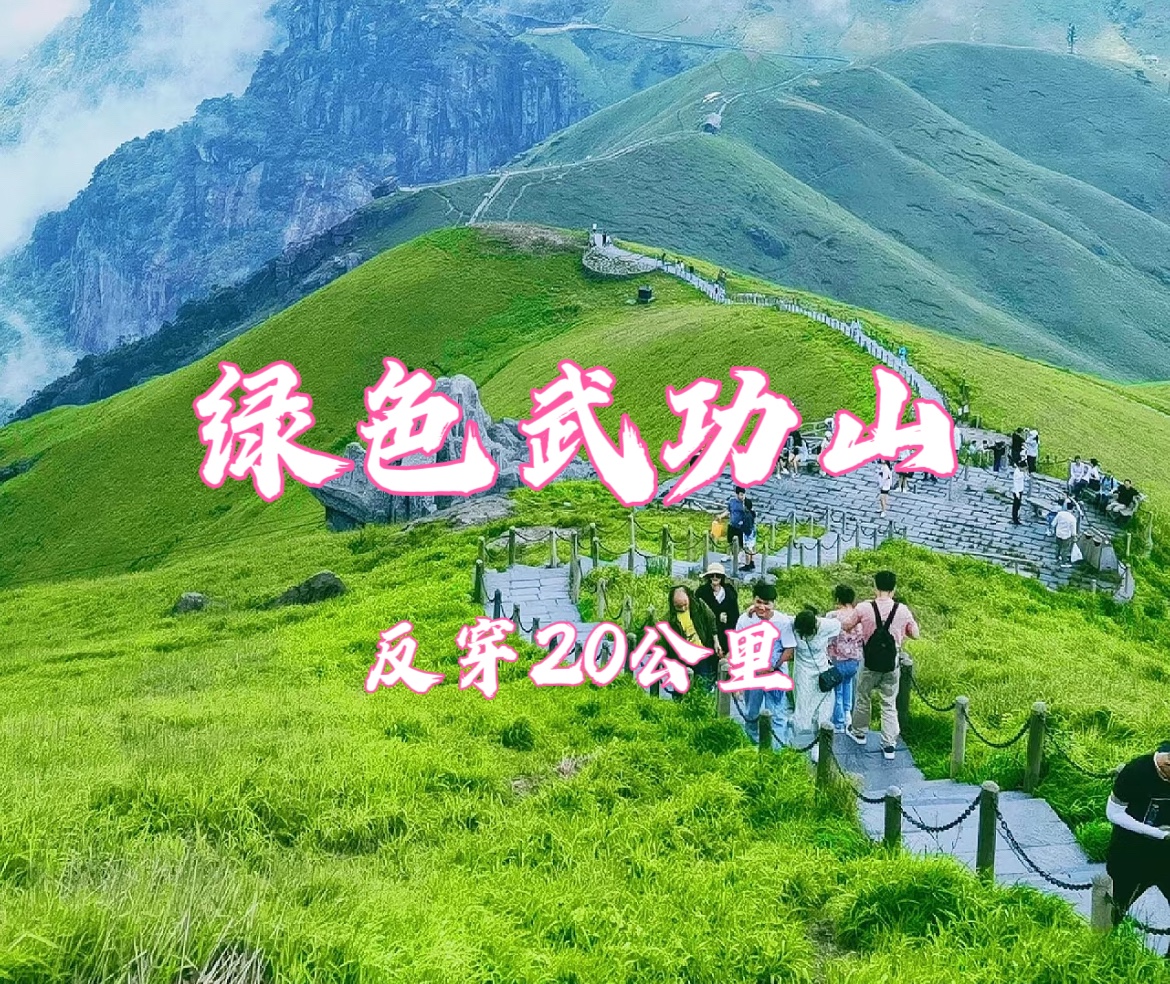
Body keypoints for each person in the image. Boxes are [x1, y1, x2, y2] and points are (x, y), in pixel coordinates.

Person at [841, 570, 920, 760]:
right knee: (889, 702)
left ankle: (859, 732)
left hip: (869, 662)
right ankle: (889, 745)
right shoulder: (902, 610)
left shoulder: (864, 607)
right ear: (894, 589)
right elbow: (915, 634)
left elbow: (846, 625)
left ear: (875, 587)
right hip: (891, 663)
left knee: (863, 696)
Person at [1105, 741, 1170, 927]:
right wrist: (1157, 833)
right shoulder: (1135, 772)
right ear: (1166, 763)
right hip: (1131, 852)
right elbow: (1113, 813)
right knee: (1118, 905)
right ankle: (1105, 939)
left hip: (1166, 856)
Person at [735, 580, 797, 745]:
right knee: (751, 712)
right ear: (753, 600)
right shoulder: (745, 620)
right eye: (758, 602)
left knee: (777, 713)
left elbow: (789, 650)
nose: (762, 607)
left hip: (775, 674)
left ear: (774, 604)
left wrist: (772, 667)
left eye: (766, 603)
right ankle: (753, 744)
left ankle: (777, 749)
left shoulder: (782, 622)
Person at [790, 607, 840, 762]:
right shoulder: (794, 623)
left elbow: (840, 623)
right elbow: (776, 617)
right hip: (804, 674)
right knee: (804, 708)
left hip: (822, 675)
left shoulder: (825, 626)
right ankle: (802, 740)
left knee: (823, 709)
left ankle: (817, 745)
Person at [665, 584, 718, 690]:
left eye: (685, 604)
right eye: (679, 606)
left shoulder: (699, 606)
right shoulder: (669, 620)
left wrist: (716, 641)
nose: (683, 608)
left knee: (704, 685)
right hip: (682, 659)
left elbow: (711, 619)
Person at [826, 584, 864, 733]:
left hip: (837, 659)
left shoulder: (832, 616)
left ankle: (839, 723)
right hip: (854, 659)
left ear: (837, 598)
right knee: (848, 685)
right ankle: (848, 715)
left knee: (837, 692)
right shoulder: (859, 616)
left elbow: (827, 638)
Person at [695, 563, 739, 659]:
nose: (715, 578)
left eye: (718, 575)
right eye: (712, 575)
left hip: (726, 630)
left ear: (722, 577)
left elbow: (735, 615)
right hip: (708, 632)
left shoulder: (730, 592)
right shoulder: (701, 592)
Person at [721, 487, 748, 568]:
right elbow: (728, 510)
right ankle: (728, 555)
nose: (742, 496)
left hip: (741, 527)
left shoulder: (745, 503)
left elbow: (748, 514)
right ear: (737, 494)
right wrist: (721, 516)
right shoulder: (732, 501)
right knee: (729, 541)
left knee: (741, 543)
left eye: (743, 495)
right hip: (732, 524)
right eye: (741, 495)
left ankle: (739, 556)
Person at [1053, 499, 1078, 567]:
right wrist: (1075, 537)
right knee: (1065, 549)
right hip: (1066, 536)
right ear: (1073, 509)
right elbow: (1073, 532)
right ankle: (1063, 562)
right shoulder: (1073, 519)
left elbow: (1053, 523)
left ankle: (1057, 558)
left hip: (1058, 533)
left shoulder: (1060, 514)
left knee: (1058, 546)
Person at [741, 497, 758, 572]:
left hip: (748, 534)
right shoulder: (752, 513)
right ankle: (752, 562)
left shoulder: (747, 516)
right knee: (752, 547)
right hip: (753, 532)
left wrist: (741, 528)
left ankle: (747, 565)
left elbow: (746, 527)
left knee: (747, 549)